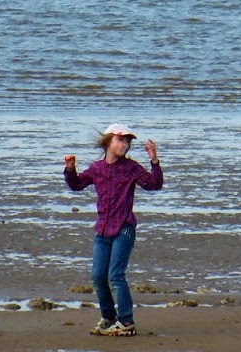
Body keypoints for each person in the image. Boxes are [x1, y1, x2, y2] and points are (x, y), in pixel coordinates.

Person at [63, 123, 165, 337]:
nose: (125, 144)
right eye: (121, 140)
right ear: (108, 141)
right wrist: (70, 169)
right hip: (102, 230)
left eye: (128, 141)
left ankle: (126, 321)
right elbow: (76, 185)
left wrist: (154, 160)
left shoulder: (131, 168)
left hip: (124, 228)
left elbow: (154, 184)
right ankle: (109, 318)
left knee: (116, 275)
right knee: (98, 277)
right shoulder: (97, 168)